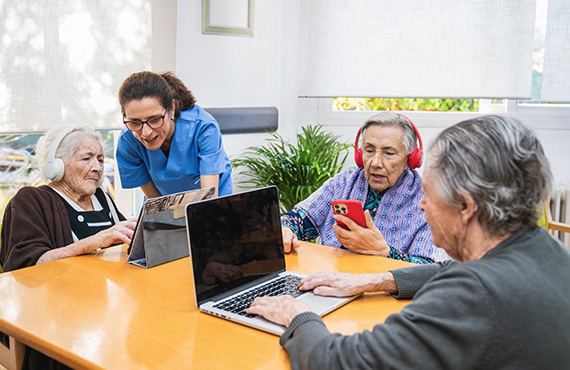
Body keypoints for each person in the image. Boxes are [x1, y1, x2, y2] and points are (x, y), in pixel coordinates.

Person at [247, 115, 570, 369]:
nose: (421, 205)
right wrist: (377, 280)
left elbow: (341, 362)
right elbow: (445, 270)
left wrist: (297, 315)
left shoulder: (469, 295)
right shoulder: (545, 250)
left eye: (430, 194)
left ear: (466, 207)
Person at [0, 124, 137, 370]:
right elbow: (24, 270)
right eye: (86, 158)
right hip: (57, 323)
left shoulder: (102, 197)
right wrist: (92, 242)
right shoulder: (31, 200)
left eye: (100, 158)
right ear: (57, 165)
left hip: (108, 313)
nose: (97, 167)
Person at [281, 112, 448, 263]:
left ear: (410, 160)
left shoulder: (429, 200)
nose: (375, 163)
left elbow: (431, 269)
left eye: (389, 153)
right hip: (330, 279)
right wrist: (287, 229)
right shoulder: (343, 183)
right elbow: (298, 219)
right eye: (369, 150)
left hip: (385, 292)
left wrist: (385, 252)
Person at [116, 71, 232, 199]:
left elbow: (209, 201)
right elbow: (155, 202)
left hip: (211, 202)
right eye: (135, 122)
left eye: (154, 120)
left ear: (171, 108)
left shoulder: (203, 128)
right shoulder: (128, 140)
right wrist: (166, 218)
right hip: (163, 202)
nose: (146, 133)